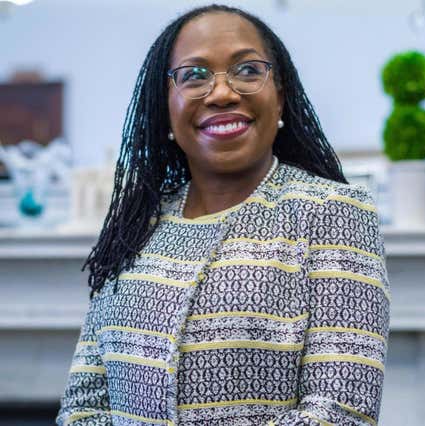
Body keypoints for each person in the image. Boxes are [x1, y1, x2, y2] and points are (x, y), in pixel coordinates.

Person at [57, 4, 389, 425]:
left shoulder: (334, 214)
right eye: (194, 75)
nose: (222, 92)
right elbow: (82, 406)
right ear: (166, 108)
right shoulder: (136, 224)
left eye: (248, 70)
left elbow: (341, 413)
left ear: (281, 94)